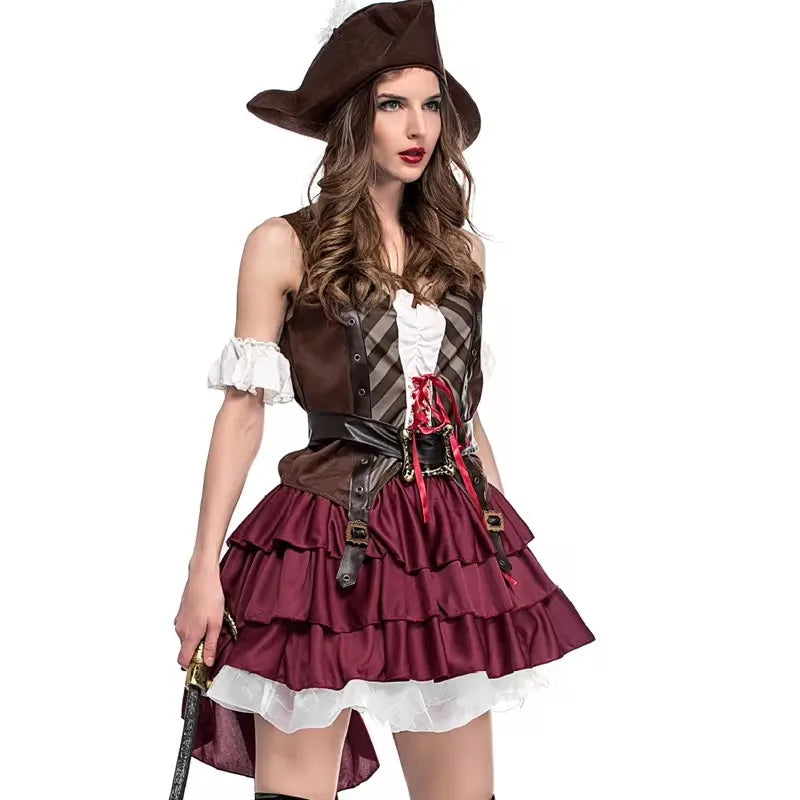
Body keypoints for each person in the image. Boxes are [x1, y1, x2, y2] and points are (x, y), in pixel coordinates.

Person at [173, 2, 595, 798]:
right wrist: (204, 567)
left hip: (447, 539)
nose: (418, 126)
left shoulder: (459, 251)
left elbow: (464, 417)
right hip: (328, 536)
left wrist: (497, 545)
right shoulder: (282, 243)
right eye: (392, 103)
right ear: (352, 117)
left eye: (431, 104)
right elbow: (243, 413)